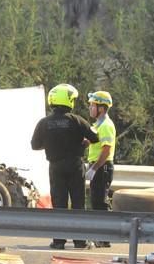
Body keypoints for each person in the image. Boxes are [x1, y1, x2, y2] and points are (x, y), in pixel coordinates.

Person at [31, 84, 99, 250]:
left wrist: (50, 144)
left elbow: (35, 145)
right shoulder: (76, 120)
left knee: (59, 203)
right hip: (75, 165)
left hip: (55, 166)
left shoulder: (44, 122)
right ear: (68, 101)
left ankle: (58, 241)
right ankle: (80, 241)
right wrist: (82, 143)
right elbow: (95, 137)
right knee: (78, 203)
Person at [86, 90, 116, 247]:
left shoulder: (105, 125)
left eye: (93, 105)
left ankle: (104, 238)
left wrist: (94, 168)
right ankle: (101, 237)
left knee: (101, 203)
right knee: (97, 202)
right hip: (98, 166)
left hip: (102, 167)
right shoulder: (98, 124)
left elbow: (106, 149)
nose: (90, 108)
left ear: (102, 108)